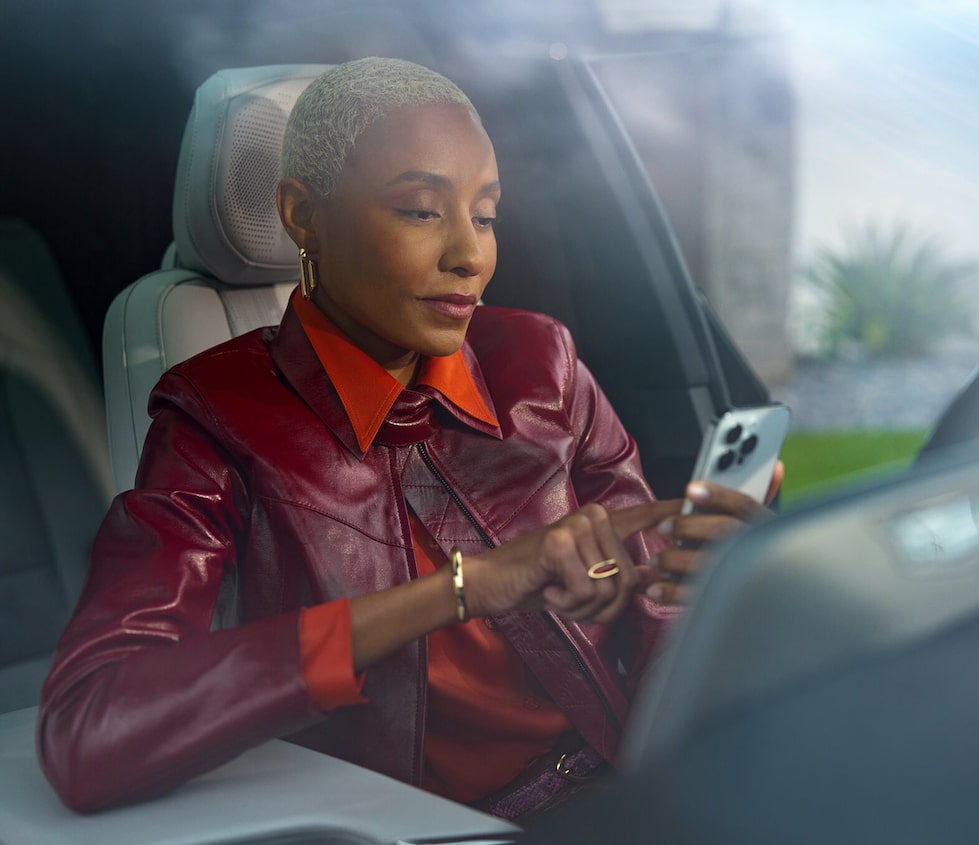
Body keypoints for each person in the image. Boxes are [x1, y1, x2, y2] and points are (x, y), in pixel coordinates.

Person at [36, 57, 776, 818]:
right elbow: (89, 730)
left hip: (622, 790)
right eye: (422, 210)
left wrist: (713, 579)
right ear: (302, 217)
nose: (471, 255)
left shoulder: (541, 364)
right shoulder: (216, 416)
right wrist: (462, 589)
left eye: (485, 215)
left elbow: (660, 631)